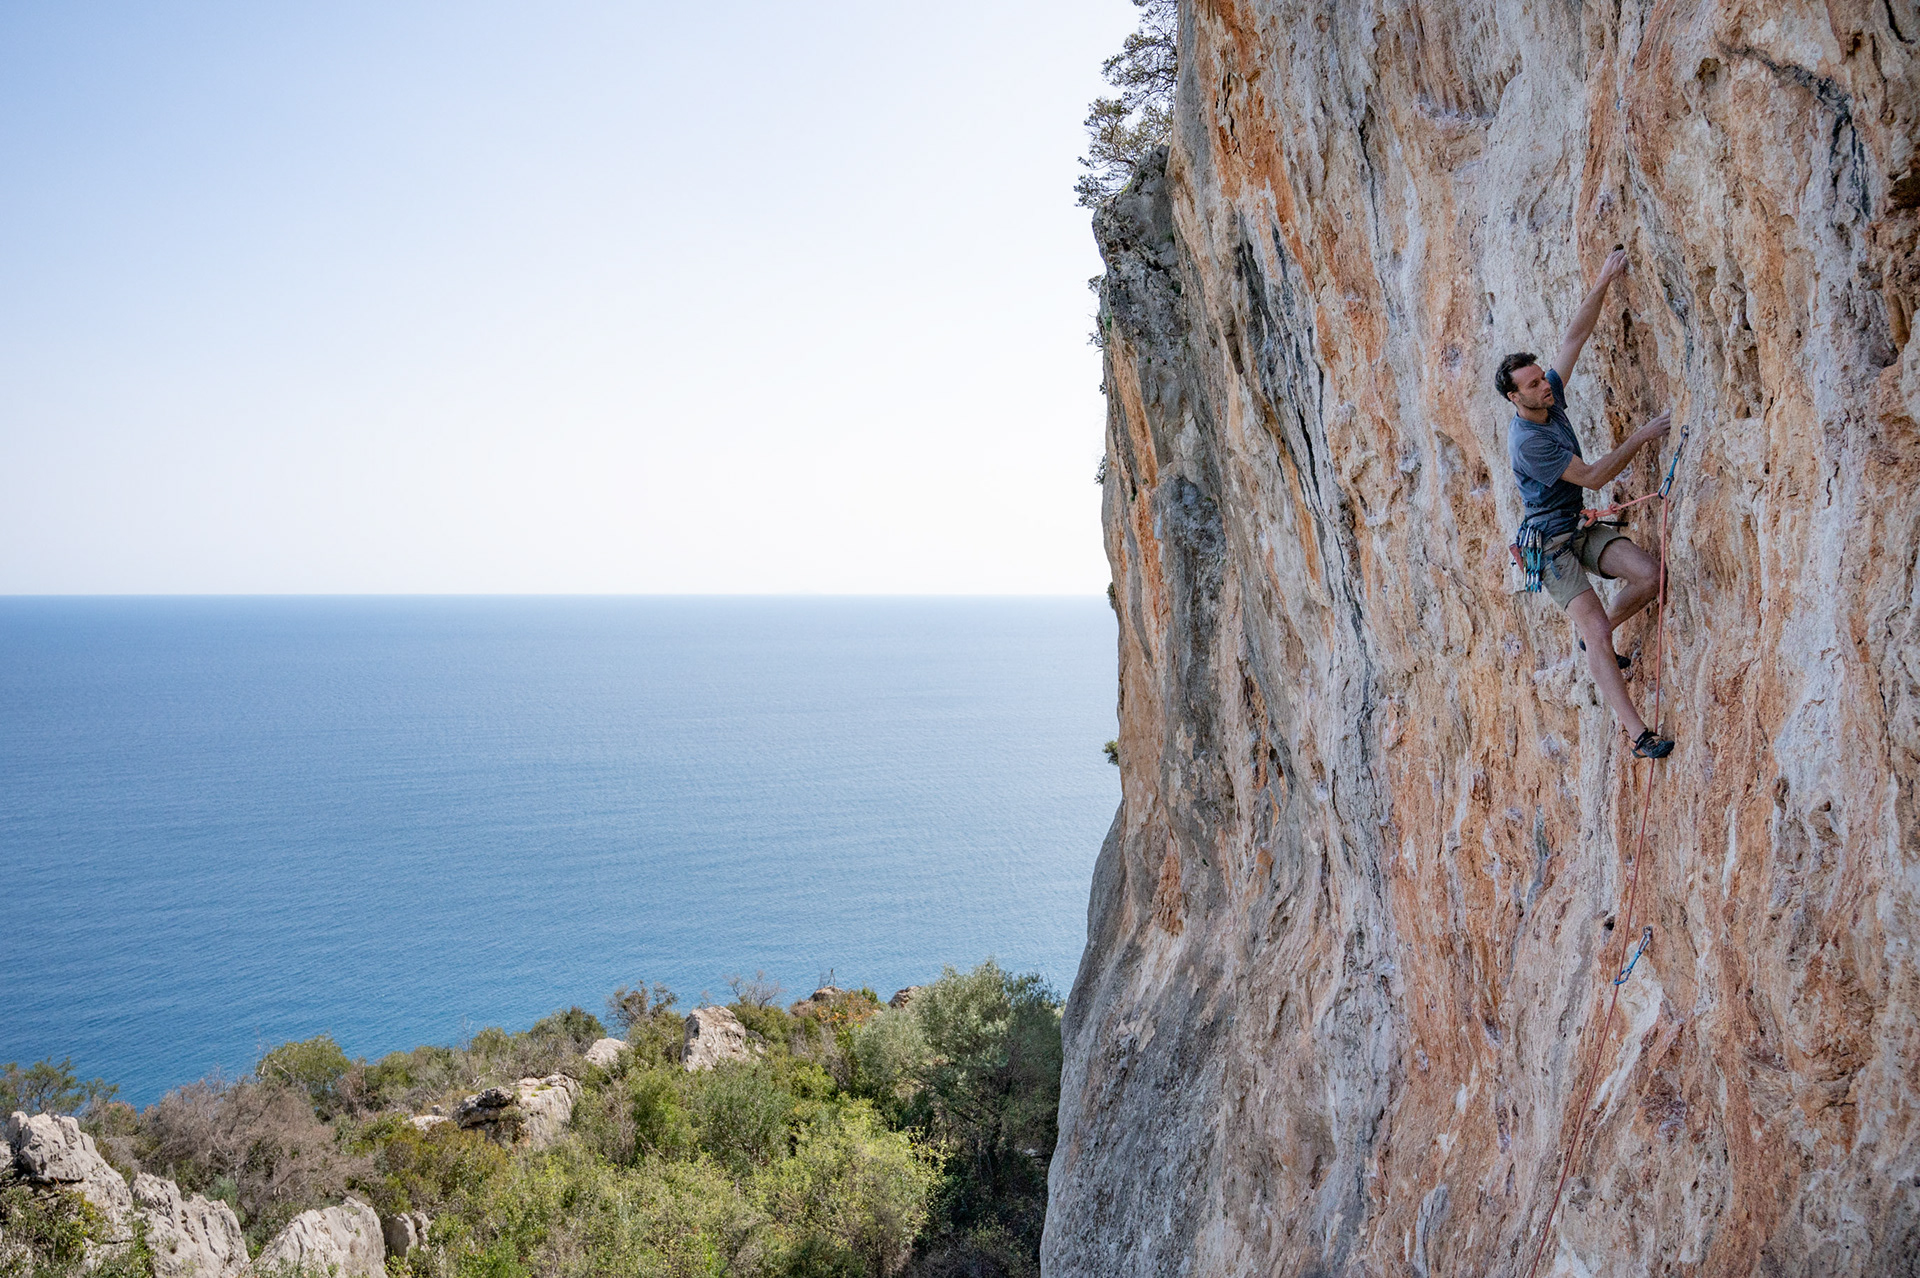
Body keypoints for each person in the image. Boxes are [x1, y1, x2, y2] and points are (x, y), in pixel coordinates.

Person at [1499, 248, 1675, 759]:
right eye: (1532, 386)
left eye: (1540, 378)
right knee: (1595, 628)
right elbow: (1595, 474)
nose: (1544, 387)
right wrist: (1643, 436)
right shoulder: (1528, 442)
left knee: (1651, 577)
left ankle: (1595, 643)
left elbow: (1574, 336)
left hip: (1576, 525)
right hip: (1550, 547)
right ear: (1515, 399)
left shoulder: (1547, 397)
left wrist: (1603, 279)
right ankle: (1639, 735)